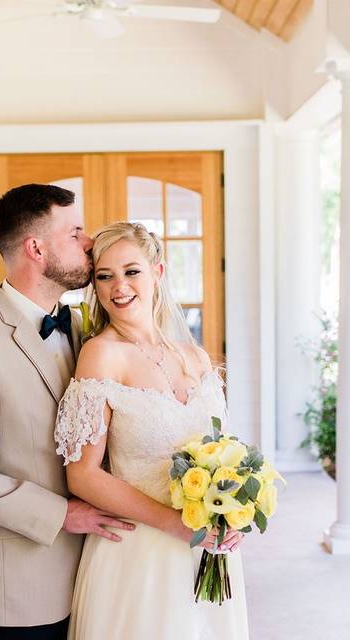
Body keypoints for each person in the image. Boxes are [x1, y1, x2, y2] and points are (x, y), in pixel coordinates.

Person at [0, 184, 133, 640]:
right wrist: (63, 515)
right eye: (76, 231)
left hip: (98, 568)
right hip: (19, 585)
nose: (89, 242)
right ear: (36, 248)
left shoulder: (83, 328)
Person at [55, 222, 249, 639]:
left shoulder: (194, 356)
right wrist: (178, 526)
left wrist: (233, 512)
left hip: (206, 548)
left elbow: (225, 451)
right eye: (104, 276)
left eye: (131, 271)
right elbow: (82, 474)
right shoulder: (101, 355)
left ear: (157, 273)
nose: (118, 287)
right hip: (140, 552)